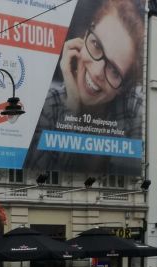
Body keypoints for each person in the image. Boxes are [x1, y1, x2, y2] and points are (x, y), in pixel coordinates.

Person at [25, 0, 145, 175]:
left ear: (123, 87)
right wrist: (71, 110)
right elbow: (39, 182)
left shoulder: (135, 108)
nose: (97, 72)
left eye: (114, 70)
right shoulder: (48, 105)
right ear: (83, 38)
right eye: (96, 45)